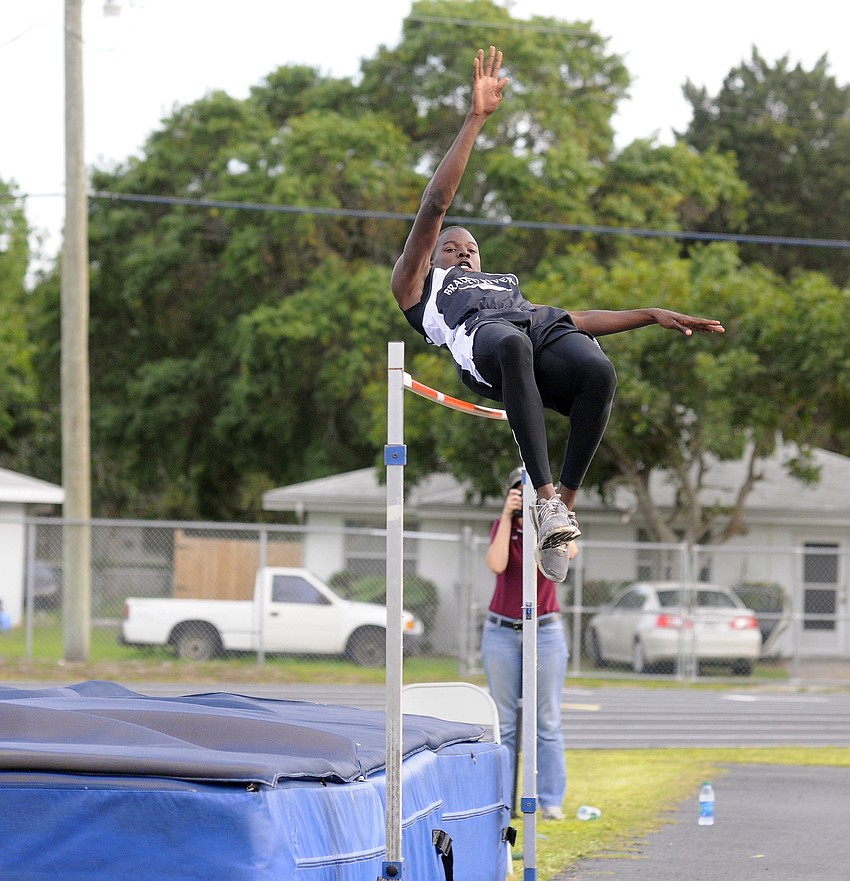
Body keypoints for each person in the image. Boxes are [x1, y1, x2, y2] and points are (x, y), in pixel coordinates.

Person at [390, 46, 725, 583]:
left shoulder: (504, 287)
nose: (463, 253)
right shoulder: (418, 283)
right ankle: (542, 495)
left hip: (531, 327)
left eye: (472, 249)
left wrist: (649, 313)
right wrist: (475, 119)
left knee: (597, 370)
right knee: (511, 343)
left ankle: (559, 511)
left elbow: (576, 318)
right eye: (452, 248)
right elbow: (435, 205)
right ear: (432, 256)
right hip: (485, 345)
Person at [481, 466, 576, 821]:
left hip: (546, 630)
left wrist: (545, 516)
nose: (523, 499)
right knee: (504, 723)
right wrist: (508, 517)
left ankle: (550, 800)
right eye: (518, 493)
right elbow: (496, 563)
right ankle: (503, 803)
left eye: (528, 494)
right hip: (502, 631)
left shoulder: (547, 529)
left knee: (547, 721)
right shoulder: (502, 526)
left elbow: (571, 555)